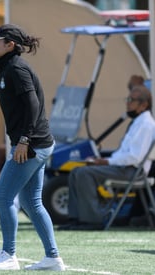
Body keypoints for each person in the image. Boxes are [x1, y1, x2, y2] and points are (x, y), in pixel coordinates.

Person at [0, 24, 65, 271]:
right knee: (31, 203)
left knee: (3, 195)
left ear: (10, 45)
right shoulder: (7, 67)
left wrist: (24, 141)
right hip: (35, 143)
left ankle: (9, 255)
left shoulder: (17, 68)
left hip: (32, 144)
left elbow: (33, 104)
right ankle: (53, 258)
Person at [59, 83, 155, 230]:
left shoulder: (147, 125)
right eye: (127, 99)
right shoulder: (138, 122)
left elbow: (134, 158)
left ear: (144, 104)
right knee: (75, 172)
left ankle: (92, 221)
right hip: (123, 167)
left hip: (132, 171)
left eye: (132, 100)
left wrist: (105, 161)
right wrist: (102, 161)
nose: (128, 104)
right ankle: (76, 218)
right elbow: (124, 154)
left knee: (84, 174)